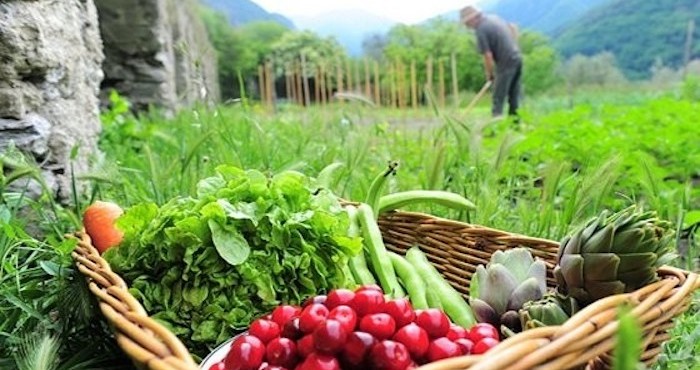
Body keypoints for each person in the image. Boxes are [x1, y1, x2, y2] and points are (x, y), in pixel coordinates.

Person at [461, 5, 522, 119]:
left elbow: (487, 55)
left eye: (467, 23)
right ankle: (516, 127)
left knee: (498, 98)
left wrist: (490, 74)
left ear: (473, 18)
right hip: (517, 57)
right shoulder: (494, 18)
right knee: (514, 96)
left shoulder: (481, 30)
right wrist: (514, 46)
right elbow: (512, 28)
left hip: (505, 62)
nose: (467, 26)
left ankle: (495, 129)